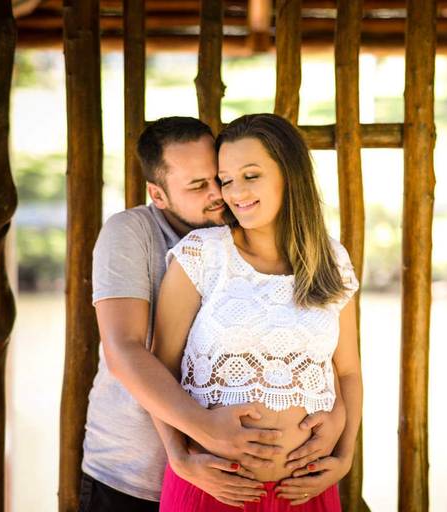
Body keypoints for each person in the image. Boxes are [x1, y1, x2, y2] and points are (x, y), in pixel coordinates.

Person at [81, 116, 346, 511]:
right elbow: (126, 351)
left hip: (257, 480)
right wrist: (198, 437)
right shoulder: (134, 234)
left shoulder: (301, 251)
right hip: (132, 476)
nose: (222, 194)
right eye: (199, 185)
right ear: (158, 194)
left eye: (218, 178)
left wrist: (337, 420)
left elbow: (318, 356)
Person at [152, 113, 363, 511]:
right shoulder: (202, 254)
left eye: (251, 175)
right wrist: (180, 460)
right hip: (212, 489)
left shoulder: (331, 260)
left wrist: (344, 455)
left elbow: (348, 371)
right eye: (227, 179)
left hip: (306, 491)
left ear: (289, 173)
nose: (235, 192)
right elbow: (160, 367)